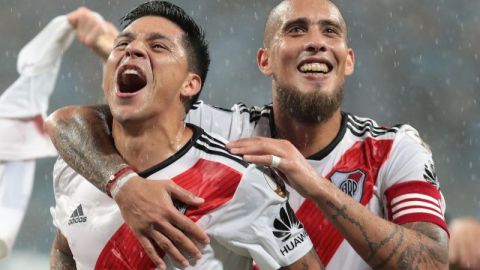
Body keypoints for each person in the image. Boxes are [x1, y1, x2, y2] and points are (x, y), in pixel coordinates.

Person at [45, 0, 449, 269]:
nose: (315, 43)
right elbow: (82, 122)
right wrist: (126, 187)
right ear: (265, 60)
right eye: (295, 30)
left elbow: (432, 262)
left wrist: (316, 186)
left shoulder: (393, 148)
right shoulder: (227, 132)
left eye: (330, 32)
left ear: (348, 60)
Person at [49, 1, 323, 270]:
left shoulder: (238, 182)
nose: (132, 49)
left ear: (190, 84)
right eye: (122, 44)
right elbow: (65, 248)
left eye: (158, 46)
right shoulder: (77, 163)